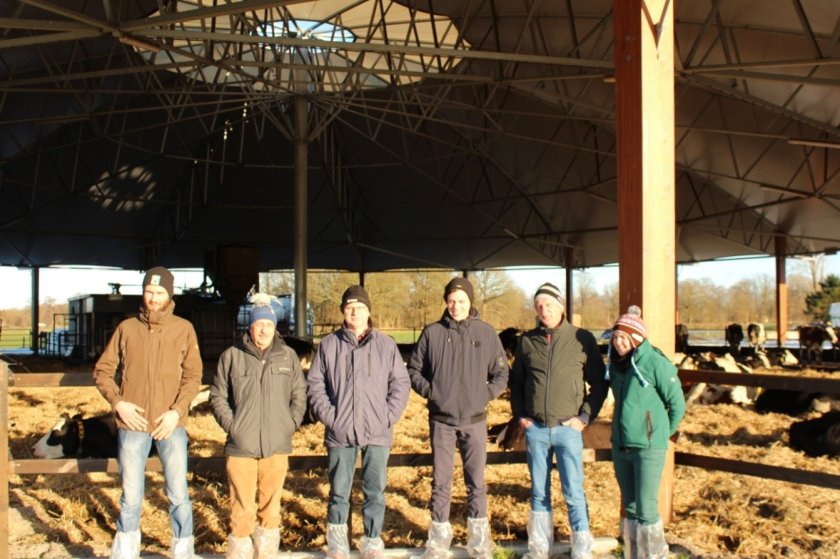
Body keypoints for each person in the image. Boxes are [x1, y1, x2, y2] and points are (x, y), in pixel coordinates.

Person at [93, 266, 203, 559]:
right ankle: (127, 549)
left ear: (170, 295)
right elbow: (103, 372)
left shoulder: (183, 329)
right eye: (149, 291)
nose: (153, 297)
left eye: (159, 292)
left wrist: (177, 412)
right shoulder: (126, 329)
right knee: (130, 495)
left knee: (178, 493)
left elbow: (193, 377)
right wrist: (118, 403)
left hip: (171, 424)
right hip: (133, 424)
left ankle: (183, 549)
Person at [407, 277, 509, 559]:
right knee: (441, 481)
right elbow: (414, 369)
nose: (456, 306)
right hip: (441, 420)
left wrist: (484, 395)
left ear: (470, 303)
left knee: (476, 481)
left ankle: (478, 543)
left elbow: (501, 373)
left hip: (475, 420)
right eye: (451, 301)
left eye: (461, 301)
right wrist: (432, 392)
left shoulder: (486, 333)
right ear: (446, 302)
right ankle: (438, 542)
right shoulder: (432, 333)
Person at [306, 285, 410, 559]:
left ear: (368, 311)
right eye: (350, 308)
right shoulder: (329, 345)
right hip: (340, 433)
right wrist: (331, 417)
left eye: (360, 308)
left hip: (377, 432)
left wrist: (387, 417)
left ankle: (372, 542)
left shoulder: (386, 345)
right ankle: (339, 544)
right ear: (343, 312)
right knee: (339, 492)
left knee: (374, 490)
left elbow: (400, 383)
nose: (355, 312)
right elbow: (315, 385)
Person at [508, 282, 608, 559]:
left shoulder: (582, 338)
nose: (544, 310)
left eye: (549, 304)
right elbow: (516, 383)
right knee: (539, 490)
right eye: (539, 306)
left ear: (561, 306)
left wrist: (584, 416)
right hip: (536, 429)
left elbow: (599, 383)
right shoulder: (527, 341)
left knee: (573, 490)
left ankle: (581, 548)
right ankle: (539, 548)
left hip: (568, 429)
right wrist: (521, 416)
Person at [210, 294, 307, 559]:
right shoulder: (231, 356)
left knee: (271, 505)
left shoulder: (288, 357)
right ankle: (240, 552)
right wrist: (233, 426)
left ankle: (266, 554)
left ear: (276, 327)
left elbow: (300, 395)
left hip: (277, 443)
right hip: (241, 444)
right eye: (258, 324)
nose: (263, 329)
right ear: (249, 327)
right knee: (240, 506)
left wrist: (290, 424)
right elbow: (217, 396)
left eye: (269, 324)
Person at [606, 307, 685, 559]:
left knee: (647, 508)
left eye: (623, 338)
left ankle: (654, 555)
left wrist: (660, 433)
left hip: (648, 447)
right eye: (615, 337)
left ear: (636, 338)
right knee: (630, 507)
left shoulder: (654, 363)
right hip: (621, 445)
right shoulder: (617, 364)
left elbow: (677, 403)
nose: (617, 343)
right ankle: (633, 553)